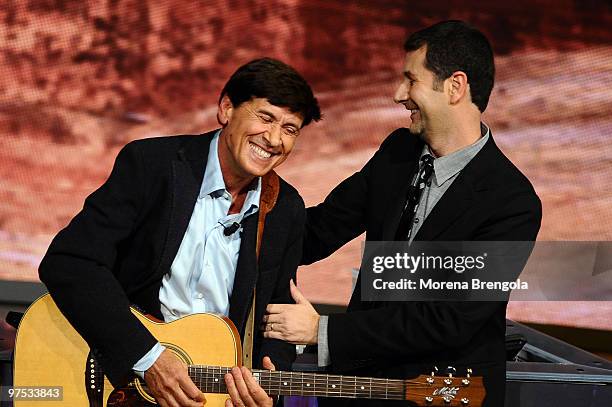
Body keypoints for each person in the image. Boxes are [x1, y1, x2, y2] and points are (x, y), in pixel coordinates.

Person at [261, 21, 542, 406]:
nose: (398, 95)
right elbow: (318, 230)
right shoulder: (398, 152)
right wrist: (237, 222)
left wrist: (322, 331)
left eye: (411, 80)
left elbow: (449, 321)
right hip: (361, 388)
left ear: (455, 87)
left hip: (441, 394)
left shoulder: (512, 202)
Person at [38, 57, 321, 407]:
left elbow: (273, 317)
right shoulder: (151, 166)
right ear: (226, 108)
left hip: (208, 392)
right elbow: (69, 263)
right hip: (121, 383)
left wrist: (268, 376)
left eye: (290, 129)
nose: (275, 139)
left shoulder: (285, 208)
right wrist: (148, 358)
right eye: (265, 118)